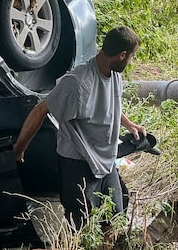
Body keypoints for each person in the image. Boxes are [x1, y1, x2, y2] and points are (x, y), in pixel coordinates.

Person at [12, 26, 146, 227]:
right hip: (78, 163)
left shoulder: (114, 74)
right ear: (122, 55)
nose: (131, 61)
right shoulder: (77, 83)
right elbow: (40, 110)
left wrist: (130, 125)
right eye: (132, 57)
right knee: (81, 225)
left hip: (105, 159)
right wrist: (20, 148)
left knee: (115, 218)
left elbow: (110, 105)